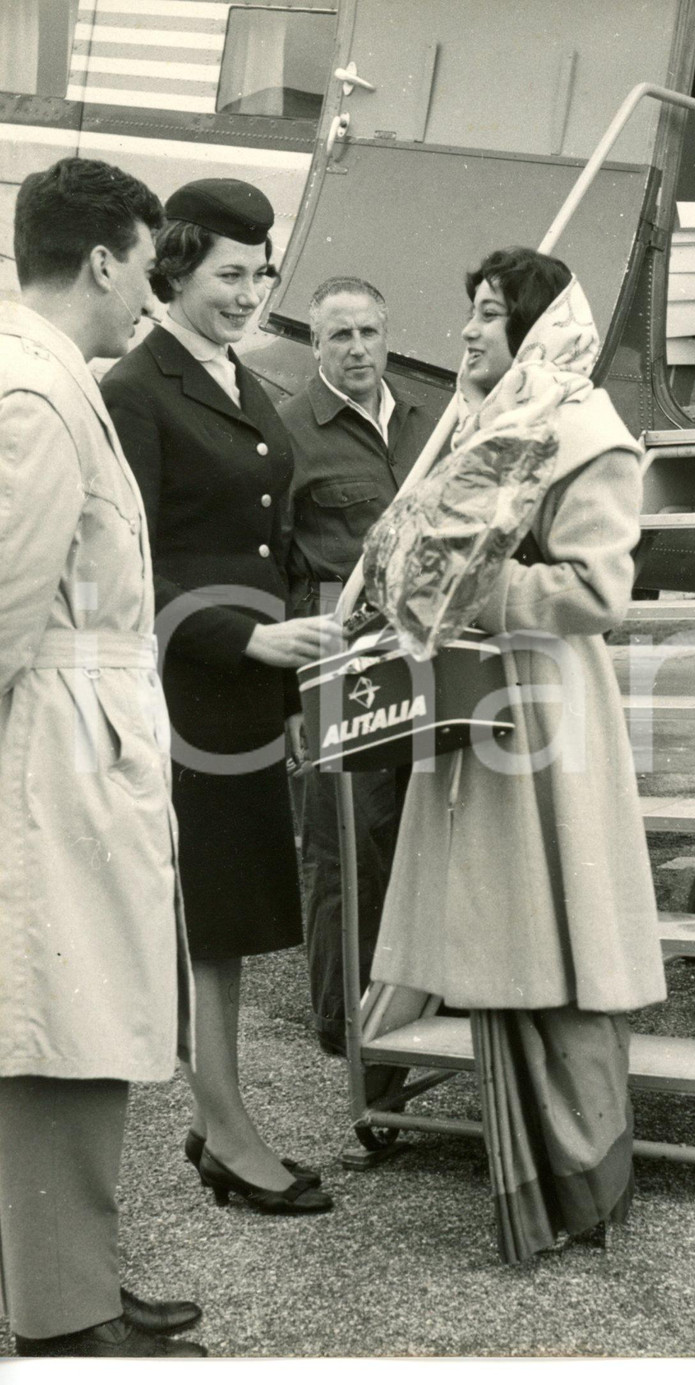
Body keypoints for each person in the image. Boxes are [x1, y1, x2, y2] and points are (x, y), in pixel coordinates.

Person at [369, 248, 668, 1263]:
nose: (467, 333)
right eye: (471, 312)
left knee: (560, 939)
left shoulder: (582, 435)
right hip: (483, 703)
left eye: (489, 316)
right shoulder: (480, 424)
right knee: (507, 935)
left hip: (546, 712)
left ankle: (584, 1178)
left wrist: (471, 592)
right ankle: (536, 1176)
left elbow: (596, 594)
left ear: (535, 329)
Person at [0, 157, 206, 1356]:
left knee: (76, 1021)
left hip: (79, 741)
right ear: (99, 260)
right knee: (54, 1025)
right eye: (143, 265)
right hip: (52, 756)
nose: (148, 292)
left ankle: (65, 1274)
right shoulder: (34, 393)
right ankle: (62, 1310)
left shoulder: (50, 379)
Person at [100, 179, 334, 1216]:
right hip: (185, 688)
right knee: (204, 915)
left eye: (261, 272)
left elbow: (266, 534)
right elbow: (127, 563)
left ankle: (218, 1117)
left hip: (245, 692)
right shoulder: (137, 389)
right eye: (228, 274)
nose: (249, 292)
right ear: (173, 271)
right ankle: (230, 1131)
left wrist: (280, 653)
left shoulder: (238, 381)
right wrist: (244, 634)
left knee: (227, 914)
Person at [279, 276, 437, 1056]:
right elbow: (275, 574)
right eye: (339, 336)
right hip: (344, 664)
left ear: (387, 333)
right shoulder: (287, 435)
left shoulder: (428, 422)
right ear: (315, 346)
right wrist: (289, 701)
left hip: (430, 654)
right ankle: (348, 1024)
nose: (357, 348)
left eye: (369, 332)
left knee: (425, 829)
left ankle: (427, 1004)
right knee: (347, 846)